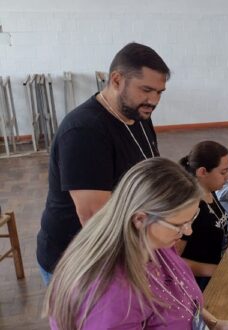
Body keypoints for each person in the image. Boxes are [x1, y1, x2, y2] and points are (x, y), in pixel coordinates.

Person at [45, 158, 228, 329]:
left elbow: (183, 297)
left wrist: (214, 323)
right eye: (180, 224)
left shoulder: (155, 243)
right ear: (140, 219)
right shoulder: (111, 295)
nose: (188, 231)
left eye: (192, 219)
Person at [37, 42, 169, 285]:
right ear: (117, 80)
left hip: (122, 243)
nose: (153, 100)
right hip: (80, 261)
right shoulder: (84, 132)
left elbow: (149, 172)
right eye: (146, 90)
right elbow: (94, 217)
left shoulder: (138, 114)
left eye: (159, 92)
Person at [177, 141, 228, 291]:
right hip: (199, 284)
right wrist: (214, 270)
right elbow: (173, 260)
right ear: (202, 172)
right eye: (223, 172)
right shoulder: (189, 207)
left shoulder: (210, 190)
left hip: (217, 269)